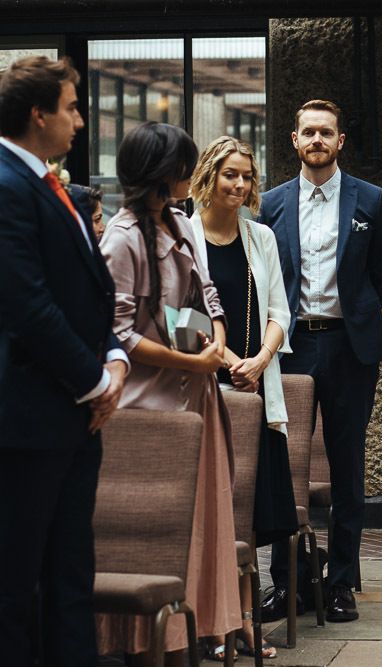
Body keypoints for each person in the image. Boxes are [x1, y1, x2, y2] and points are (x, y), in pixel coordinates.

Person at [96, 122, 241, 665]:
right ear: (161, 172)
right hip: (149, 407)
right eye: (181, 165)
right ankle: (145, 645)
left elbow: (209, 296)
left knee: (202, 523)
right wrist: (190, 360)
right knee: (153, 530)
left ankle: (191, 631)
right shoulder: (123, 236)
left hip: (195, 395)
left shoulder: (179, 225)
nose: (188, 174)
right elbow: (119, 332)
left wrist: (218, 345)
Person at [0, 55, 127, 666]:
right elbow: (26, 304)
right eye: (72, 107)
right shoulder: (5, 184)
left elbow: (85, 290)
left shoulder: (53, 183)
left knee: (72, 576)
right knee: (19, 584)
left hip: (72, 420)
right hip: (30, 420)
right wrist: (94, 380)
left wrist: (112, 353)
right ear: (38, 113)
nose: (80, 119)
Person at [259, 99, 382, 623]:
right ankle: (287, 583)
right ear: (294, 141)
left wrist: (355, 317)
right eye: (308, 132)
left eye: (327, 133)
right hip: (290, 347)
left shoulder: (371, 200)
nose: (317, 140)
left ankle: (341, 584)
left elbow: (379, 276)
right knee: (283, 465)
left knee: (347, 466)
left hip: (348, 348)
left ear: (341, 141)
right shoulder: (270, 203)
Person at [189, 135, 297, 659]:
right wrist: (229, 360)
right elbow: (178, 317)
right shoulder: (183, 236)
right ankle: (212, 622)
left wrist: (259, 361)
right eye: (230, 174)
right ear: (208, 175)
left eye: (247, 176)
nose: (240, 184)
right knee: (209, 510)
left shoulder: (262, 238)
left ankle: (246, 621)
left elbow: (280, 311)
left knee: (250, 514)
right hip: (203, 387)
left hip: (256, 389)